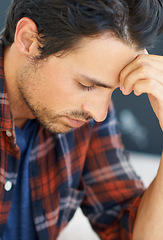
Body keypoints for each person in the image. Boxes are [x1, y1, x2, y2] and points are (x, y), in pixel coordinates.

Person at [0, 0, 163, 239]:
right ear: (29, 41)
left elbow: (131, 232)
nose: (99, 114)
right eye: (87, 85)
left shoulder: (87, 115)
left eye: (111, 91)